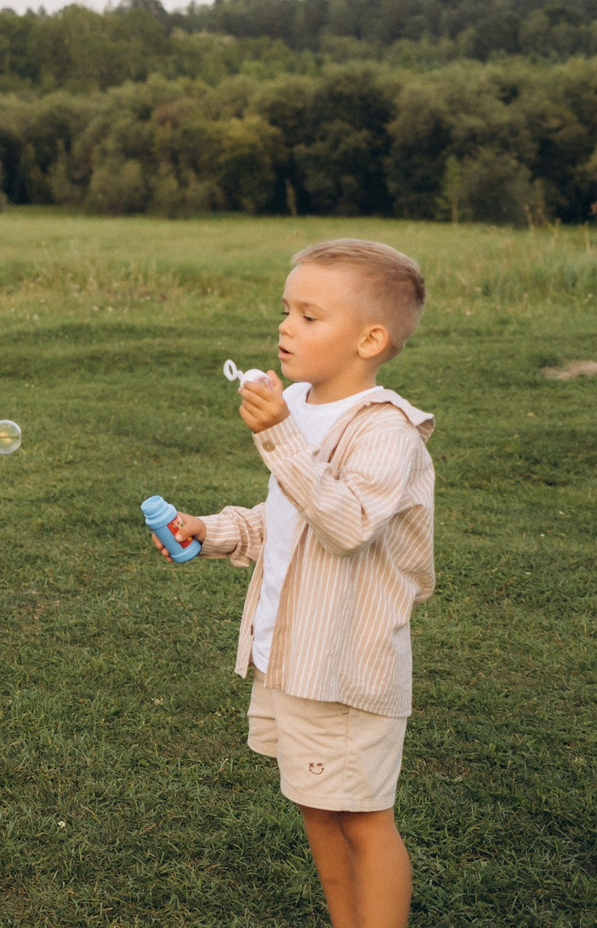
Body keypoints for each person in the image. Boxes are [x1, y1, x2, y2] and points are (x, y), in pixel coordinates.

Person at [156, 240, 437, 928]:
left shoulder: (384, 431)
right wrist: (215, 529)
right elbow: (290, 516)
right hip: (290, 657)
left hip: (342, 666)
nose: (285, 326)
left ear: (370, 338)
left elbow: (347, 522)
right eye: (285, 309)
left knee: (365, 819)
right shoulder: (305, 405)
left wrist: (279, 435)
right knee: (316, 807)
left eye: (309, 315)